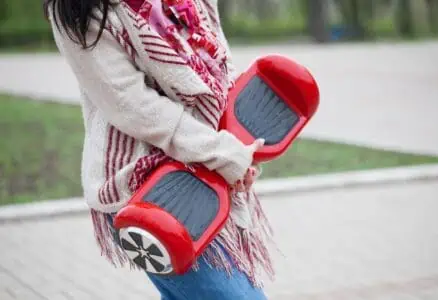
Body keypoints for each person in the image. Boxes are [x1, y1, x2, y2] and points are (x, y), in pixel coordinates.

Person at [45, 0, 275, 299]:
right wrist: (220, 152)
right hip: (149, 187)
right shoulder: (78, 9)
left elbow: (218, 60)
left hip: (208, 173)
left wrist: (233, 148)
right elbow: (133, 105)